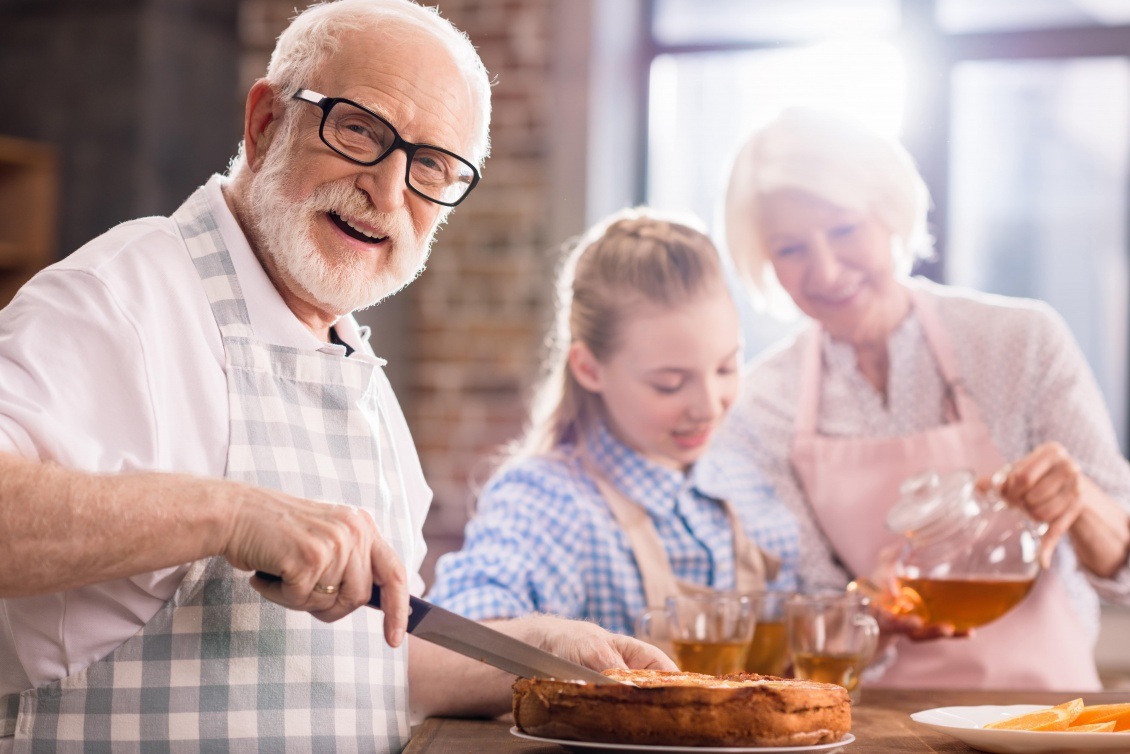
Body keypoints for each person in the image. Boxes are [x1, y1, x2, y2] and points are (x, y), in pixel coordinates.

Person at [0, 2, 673, 751]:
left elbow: (364, 664)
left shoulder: (353, 369)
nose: (388, 192)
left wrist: (541, 649)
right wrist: (232, 516)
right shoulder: (124, 300)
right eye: (359, 130)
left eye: (431, 168)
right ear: (264, 125)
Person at [698, 105, 1130, 690]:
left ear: (890, 213)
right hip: (884, 728)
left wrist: (1080, 500)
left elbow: (1122, 572)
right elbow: (809, 618)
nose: (825, 270)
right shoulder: (760, 404)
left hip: (1046, 714)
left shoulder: (1021, 342)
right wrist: (871, 611)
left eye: (845, 230)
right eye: (790, 249)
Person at [426, 208, 810, 638]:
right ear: (590, 368)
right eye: (670, 383)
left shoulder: (748, 477)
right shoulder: (548, 502)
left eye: (725, 368)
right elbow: (460, 638)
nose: (708, 406)